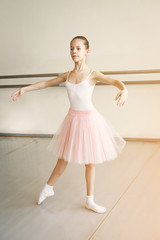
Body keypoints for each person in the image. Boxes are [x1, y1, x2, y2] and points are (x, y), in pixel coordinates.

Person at [11, 36, 128, 214]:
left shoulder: (92, 74)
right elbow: (46, 83)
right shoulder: (67, 75)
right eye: (71, 48)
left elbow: (114, 81)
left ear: (87, 51)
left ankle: (90, 200)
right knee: (63, 158)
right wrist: (24, 89)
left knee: (90, 162)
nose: (74, 51)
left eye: (78, 48)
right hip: (72, 119)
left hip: (89, 121)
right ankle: (47, 188)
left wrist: (124, 89)